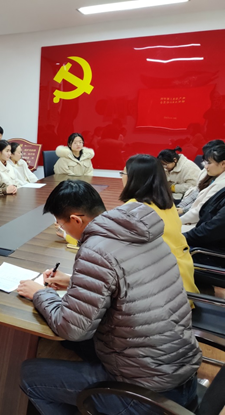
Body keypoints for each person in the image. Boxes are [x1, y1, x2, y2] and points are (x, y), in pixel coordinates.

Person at [17, 180, 201, 414]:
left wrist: (40, 293)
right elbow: (129, 283)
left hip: (144, 394)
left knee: (29, 374)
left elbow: (72, 329)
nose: (63, 231)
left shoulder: (96, 249)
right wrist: (73, 281)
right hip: (180, 373)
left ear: (76, 220)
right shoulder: (142, 232)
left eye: (61, 225)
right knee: (77, 345)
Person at [119, 154, 198, 297]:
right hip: (183, 282)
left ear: (133, 178)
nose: (122, 177)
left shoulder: (132, 210)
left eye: (123, 173)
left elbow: (108, 246)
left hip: (161, 292)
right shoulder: (167, 204)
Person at [181, 144, 225, 230]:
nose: (205, 166)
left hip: (202, 225)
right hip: (195, 219)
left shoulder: (221, 184)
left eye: (209, 163)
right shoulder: (213, 175)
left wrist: (178, 219)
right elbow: (196, 192)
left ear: (223, 163)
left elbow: (201, 210)